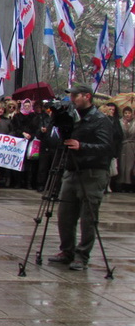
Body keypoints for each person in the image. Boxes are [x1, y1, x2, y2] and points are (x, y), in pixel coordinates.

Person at [47, 84, 114, 271]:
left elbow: (108, 147)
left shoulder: (100, 119)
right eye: (71, 96)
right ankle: (66, 250)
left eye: (76, 96)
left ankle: (82, 255)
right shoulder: (72, 117)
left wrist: (82, 145)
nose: (73, 99)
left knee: (88, 216)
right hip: (71, 170)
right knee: (65, 215)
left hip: (92, 172)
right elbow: (56, 140)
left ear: (87, 96)